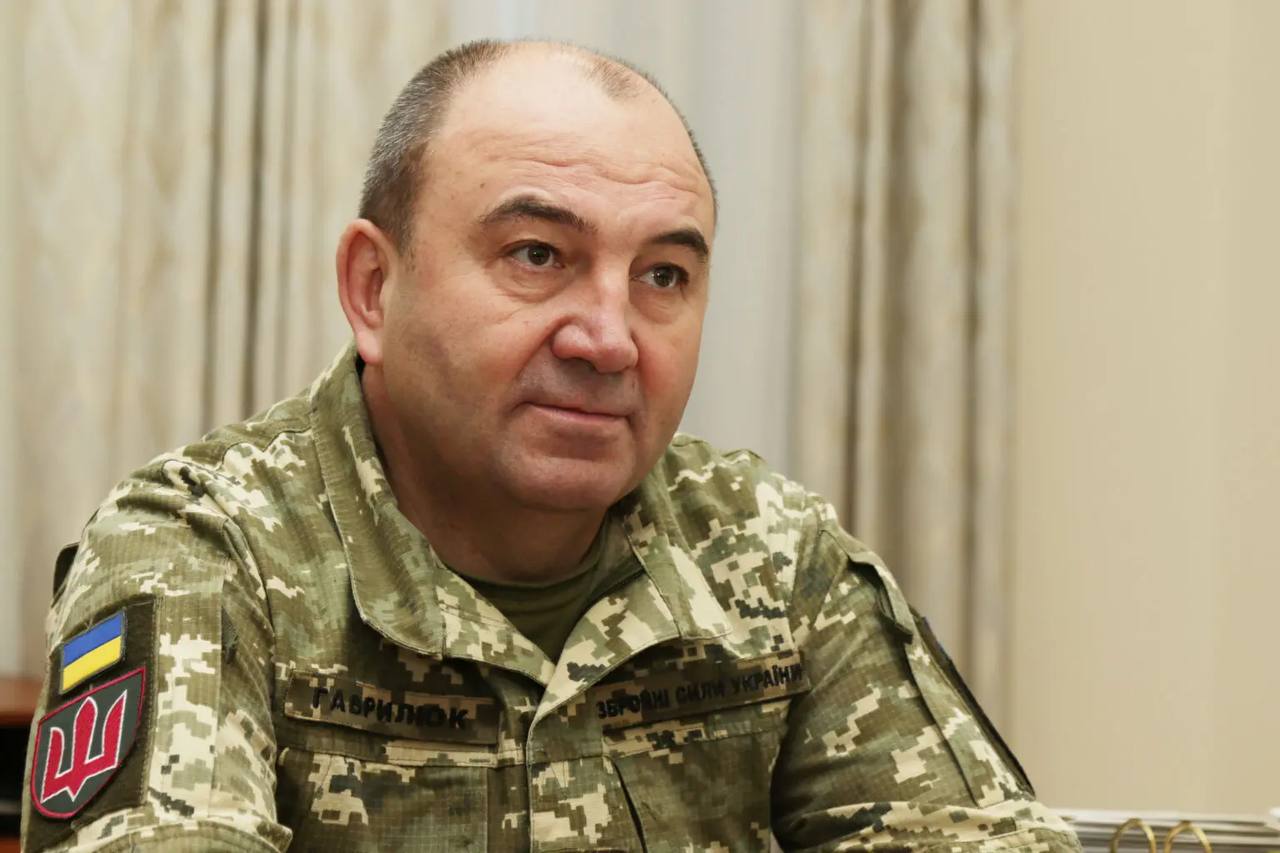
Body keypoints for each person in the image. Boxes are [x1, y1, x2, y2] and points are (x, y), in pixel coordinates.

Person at [22, 39, 1082, 852]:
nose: (609, 338)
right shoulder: (203, 553)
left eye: (662, 276)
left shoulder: (770, 553)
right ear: (373, 288)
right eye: (537, 255)